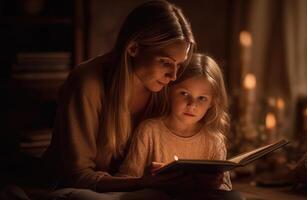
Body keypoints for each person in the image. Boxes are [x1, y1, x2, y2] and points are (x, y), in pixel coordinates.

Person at [41, 0, 195, 196]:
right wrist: (140, 183)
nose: (173, 75)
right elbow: (76, 176)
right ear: (133, 48)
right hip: (77, 189)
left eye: (179, 65)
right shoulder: (87, 84)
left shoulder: (164, 88)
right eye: (165, 62)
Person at [118, 53, 244, 199]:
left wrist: (215, 183)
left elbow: (225, 187)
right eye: (184, 93)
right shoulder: (149, 131)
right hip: (159, 196)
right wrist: (147, 181)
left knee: (235, 197)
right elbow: (126, 178)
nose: (192, 104)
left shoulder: (214, 140)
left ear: (212, 102)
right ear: (170, 91)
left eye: (202, 98)